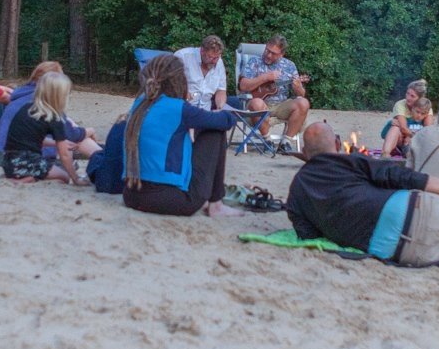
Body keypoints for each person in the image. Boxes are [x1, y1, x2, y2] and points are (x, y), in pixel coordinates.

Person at [288, 122, 439, 268]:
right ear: (338, 143)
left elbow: (309, 237)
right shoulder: (352, 162)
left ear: (305, 153)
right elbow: (411, 179)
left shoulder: (296, 191)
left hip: (399, 251)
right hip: (417, 211)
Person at [121, 53, 237, 217]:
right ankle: (216, 204)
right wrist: (222, 113)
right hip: (170, 200)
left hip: (131, 196)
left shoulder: (139, 103)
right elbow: (226, 121)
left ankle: (212, 201)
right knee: (214, 130)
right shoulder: (179, 108)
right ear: (179, 79)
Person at [2, 71, 99, 184]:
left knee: (51, 169)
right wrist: (75, 178)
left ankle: (22, 176)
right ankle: (27, 179)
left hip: (8, 162)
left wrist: (55, 143)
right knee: (64, 177)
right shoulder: (54, 117)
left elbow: (30, 139)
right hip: (27, 163)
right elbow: (64, 155)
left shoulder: (27, 108)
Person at [237, 34, 310, 147]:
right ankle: (268, 141)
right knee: (256, 103)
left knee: (303, 103)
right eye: (267, 50)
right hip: (258, 105)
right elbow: (243, 86)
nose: (268, 55)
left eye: (273, 53)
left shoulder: (289, 65)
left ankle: (286, 142)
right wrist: (265, 77)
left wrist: (298, 87)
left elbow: (301, 94)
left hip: (281, 106)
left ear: (282, 54)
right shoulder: (254, 62)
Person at [381, 79, 434, 156]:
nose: (408, 98)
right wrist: (412, 136)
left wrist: (413, 138)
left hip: (417, 143)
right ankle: (385, 153)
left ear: (420, 99)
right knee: (395, 126)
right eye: (407, 93)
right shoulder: (400, 104)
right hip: (401, 139)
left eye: (412, 96)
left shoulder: (425, 108)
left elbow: (428, 131)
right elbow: (403, 128)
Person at [174, 36, 228, 109]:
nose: (214, 61)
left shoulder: (219, 62)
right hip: (183, 108)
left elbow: (221, 90)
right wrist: (184, 93)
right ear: (202, 51)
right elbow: (171, 84)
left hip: (205, 112)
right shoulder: (183, 56)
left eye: (217, 58)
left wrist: (219, 108)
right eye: (210, 57)